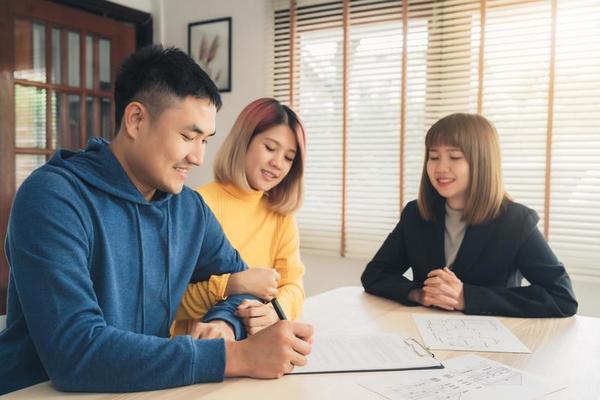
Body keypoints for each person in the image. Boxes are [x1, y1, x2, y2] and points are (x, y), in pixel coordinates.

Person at [0, 45, 312, 396]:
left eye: (205, 140)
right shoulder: (53, 198)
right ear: (136, 119)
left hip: (142, 387)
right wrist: (234, 356)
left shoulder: (188, 209)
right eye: (188, 136)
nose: (197, 157)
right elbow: (76, 353)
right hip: (33, 391)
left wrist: (223, 323)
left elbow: (246, 291)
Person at [361, 113, 578, 318]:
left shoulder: (516, 221)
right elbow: (375, 275)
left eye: (454, 156)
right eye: (434, 156)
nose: (440, 167)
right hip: (425, 336)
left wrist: (467, 297)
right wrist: (418, 293)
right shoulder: (415, 214)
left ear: (482, 163)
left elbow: (562, 297)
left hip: (491, 343)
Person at [172, 98, 306, 337]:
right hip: (195, 349)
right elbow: (170, 301)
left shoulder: (281, 217)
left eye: (288, 157)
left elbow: (293, 286)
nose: (277, 164)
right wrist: (231, 285)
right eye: (270, 148)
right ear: (244, 142)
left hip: (254, 345)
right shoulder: (197, 205)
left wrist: (275, 311)